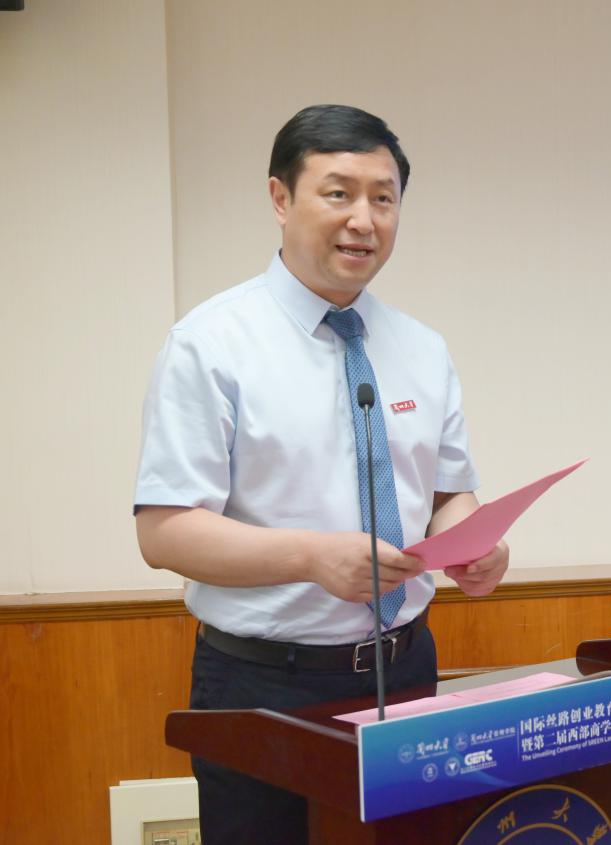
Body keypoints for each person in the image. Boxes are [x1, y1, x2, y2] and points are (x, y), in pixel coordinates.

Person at [133, 104, 509, 843]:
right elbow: (164, 531)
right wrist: (312, 557)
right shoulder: (210, 344)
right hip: (266, 684)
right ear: (280, 198)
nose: (363, 220)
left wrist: (473, 543)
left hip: (406, 668)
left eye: (383, 198)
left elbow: (447, 492)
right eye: (338, 193)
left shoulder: (421, 347)